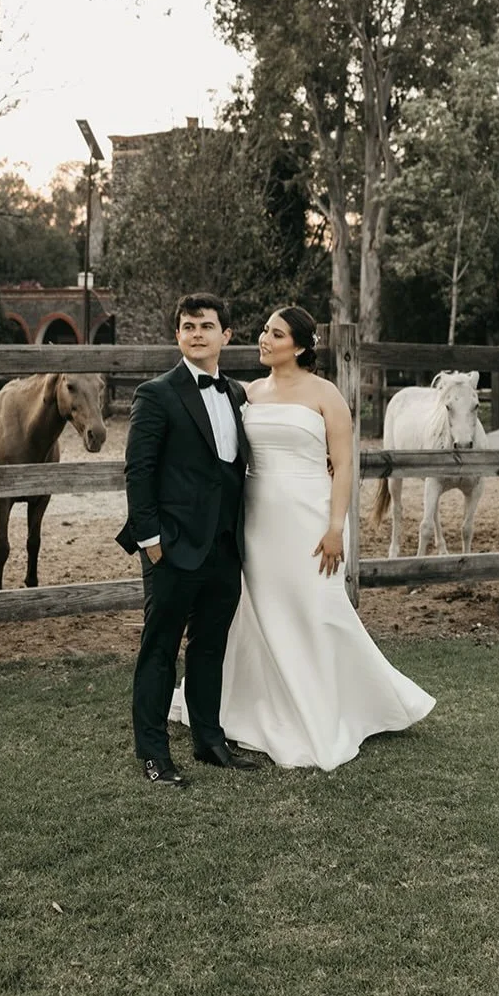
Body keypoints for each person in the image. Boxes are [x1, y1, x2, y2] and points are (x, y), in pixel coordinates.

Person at [172, 304, 434, 770]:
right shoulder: (249, 392)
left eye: (274, 334)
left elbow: (345, 463)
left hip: (312, 517)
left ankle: (335, 707)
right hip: (259, 518)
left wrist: (335, 527)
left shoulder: (325, 394)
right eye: (264, 332)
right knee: (262, 611)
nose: (264, 339)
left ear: (299, 345)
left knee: (317, 609)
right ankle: (257, 706)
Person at [117, 292, 259, 788]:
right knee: (159, 649)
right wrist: (150, 541)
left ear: (226, 335)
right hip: (172, 545)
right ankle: (154, 755)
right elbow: (139, 471)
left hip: (224, 546)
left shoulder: (239, 394)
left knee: (209, 647)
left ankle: (209, 740)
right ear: (177, 335)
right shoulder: (156, 394)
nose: (196, 333)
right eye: (187, 326)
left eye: (206, 325)